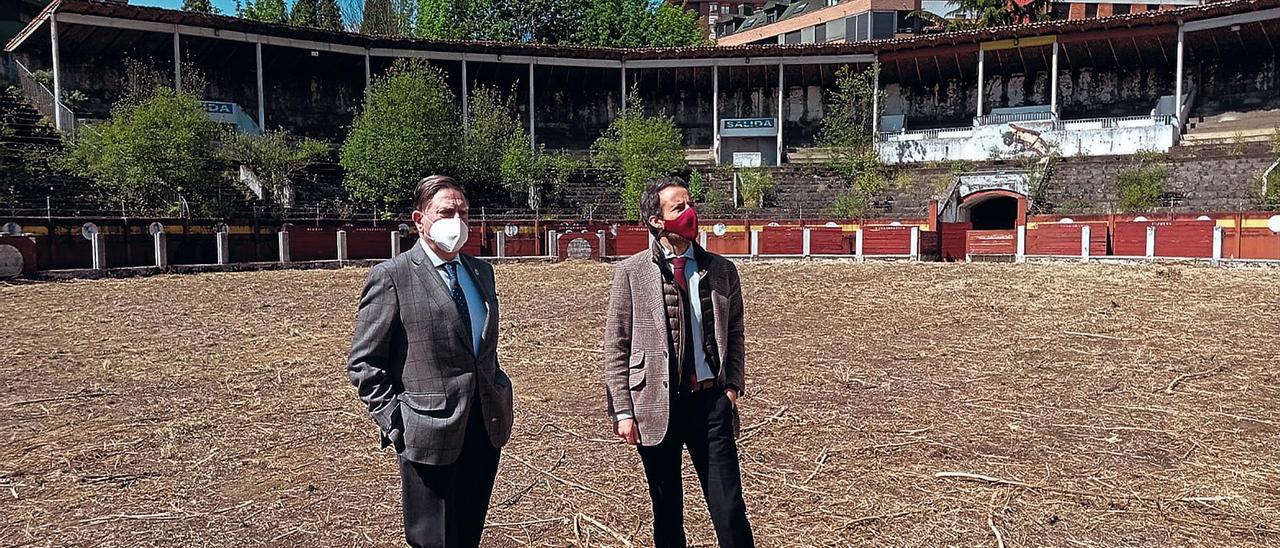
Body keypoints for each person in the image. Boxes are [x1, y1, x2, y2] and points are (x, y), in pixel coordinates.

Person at [346, 175, 513, 548]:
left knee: (468, 532)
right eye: (446, 212)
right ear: (420, 219)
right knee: (431, 539)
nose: (458, 221)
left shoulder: (480, 272)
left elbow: (481, 348)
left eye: (464, 213)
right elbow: (364, 361)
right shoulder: (392, 276)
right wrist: (395, 421)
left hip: (484, 425)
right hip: (426, 430)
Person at [602, 176, 754, 548]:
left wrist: (731, 388)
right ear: (656, 220)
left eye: (690, 204)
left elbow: (735, 333)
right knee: (666, 509)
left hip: (710, 403)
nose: (690, 213)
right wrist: (623, 410)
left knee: (729, 506)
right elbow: (616, 345)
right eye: (679, 207)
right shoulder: (631, 272)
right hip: (655, 404)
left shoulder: (721, 270)